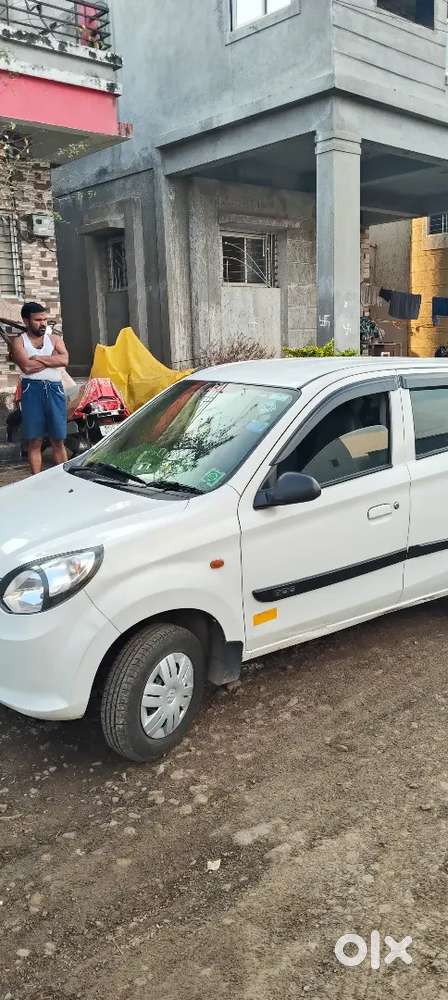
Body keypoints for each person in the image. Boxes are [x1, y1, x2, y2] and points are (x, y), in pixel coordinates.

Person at [10, 302, 69, 474]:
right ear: (26, 321)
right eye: (37, 320)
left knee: (58, 440)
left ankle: (63, 479)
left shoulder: (54, 339)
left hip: (54, 390)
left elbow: (64, 360)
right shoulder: (19, 341)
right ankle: (36, 480)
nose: (42, 323)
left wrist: (37, 358)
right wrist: (51, 360)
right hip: (32, 391)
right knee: (34, 441)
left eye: (44, 319)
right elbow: (26, 368)